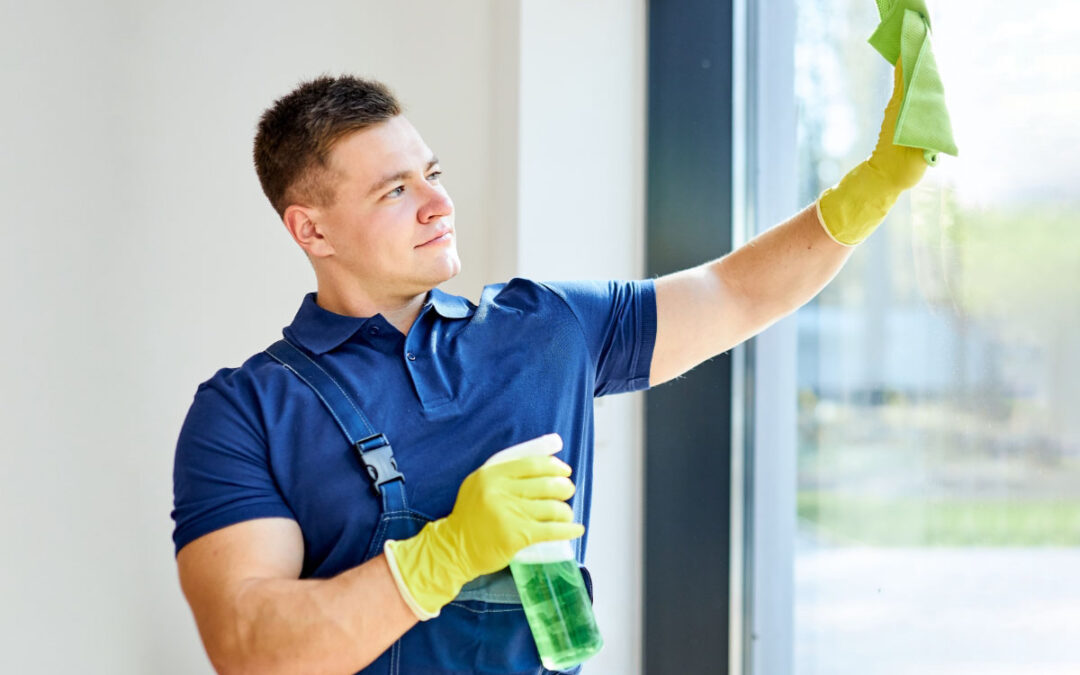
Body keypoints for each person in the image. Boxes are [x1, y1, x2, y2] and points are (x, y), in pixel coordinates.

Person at [172, 62, 925, 675]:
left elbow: (732, 292)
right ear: (312, 228)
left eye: (432, 174)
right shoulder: (246, 411)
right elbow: (248, 645)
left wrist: (871, 188)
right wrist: (443, 554)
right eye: (395, 191)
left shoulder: (544, 328)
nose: (439, 203)